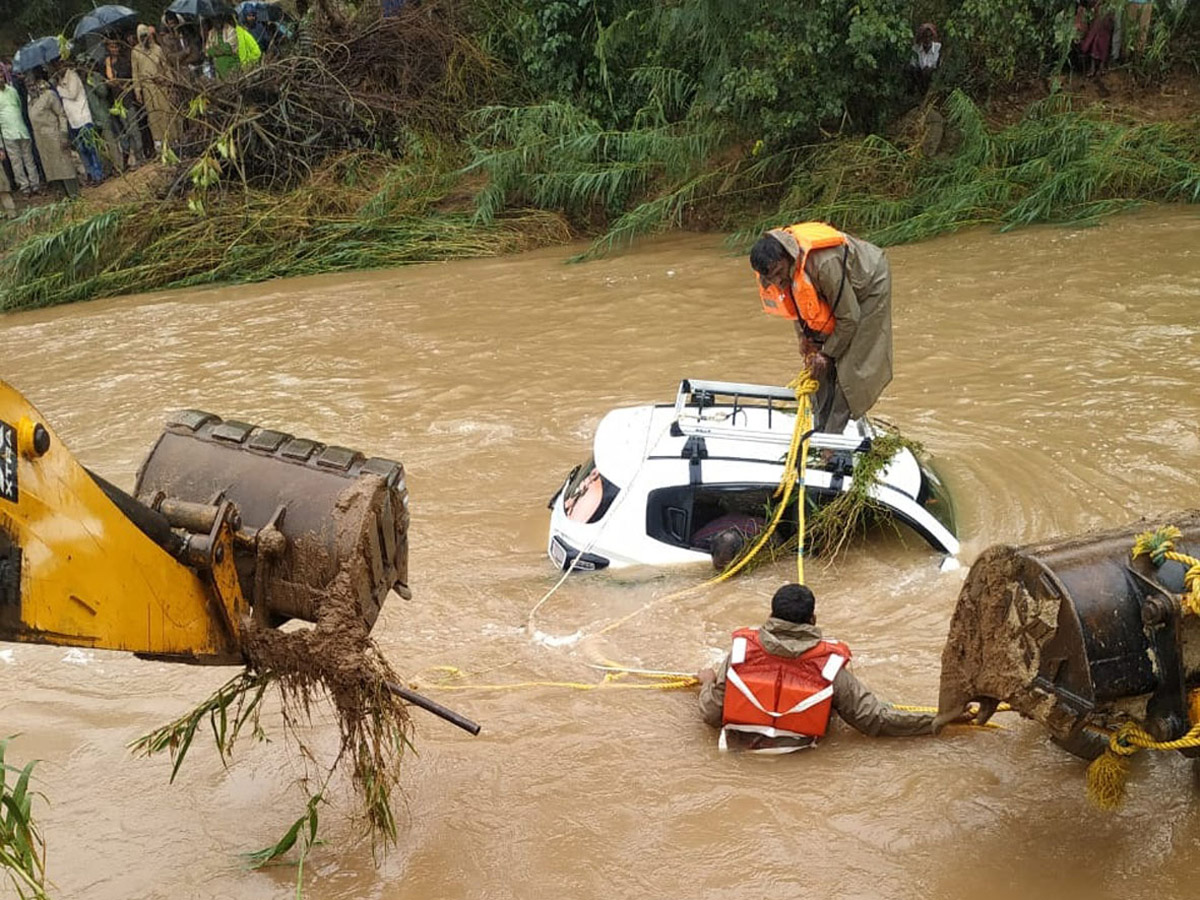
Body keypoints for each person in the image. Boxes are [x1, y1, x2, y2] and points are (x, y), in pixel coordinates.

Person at [697, 583, 935, 752]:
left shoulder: (739, 654)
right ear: (813, 620)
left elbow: (711, 714)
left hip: (738, 754)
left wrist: (707, 682)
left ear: (771, 615)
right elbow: (874, 720)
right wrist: (938, 719)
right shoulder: (830, 668)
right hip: (801, 755)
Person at [749, 223, 893, 435]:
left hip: (869, 285)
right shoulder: (777, 273)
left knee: (850, 366)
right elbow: (798, 306)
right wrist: (805, 341)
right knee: (814, 362)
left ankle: (832, 438)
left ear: (787, 258)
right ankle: (818, 427)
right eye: (771, 279)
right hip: (834, 290)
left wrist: (827, 354)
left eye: (779, 274)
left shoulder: (825, 264)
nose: (778, 282)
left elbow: (850, 318)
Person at [25, 70, 80, 198]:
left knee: (64, 166)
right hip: (42, 141)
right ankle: (62, 197)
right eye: (27, 85)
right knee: (51, 169)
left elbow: (61, 115)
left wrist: (64, 135)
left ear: (38, 82)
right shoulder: (30, 101)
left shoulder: (49, 95)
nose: (31, 87)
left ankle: (74, 195)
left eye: (32, 84)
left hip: (55, 136)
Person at [52, 63, 104, 184]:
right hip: (73, 120)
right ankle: (90, 174)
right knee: (82, 150)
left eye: (59, 66)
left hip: (83, 118)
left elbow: (73, 94)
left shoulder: (73, 76)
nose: (58, 69)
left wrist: (59, 89)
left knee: (91, 148)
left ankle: (98, 175)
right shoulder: (61, 80)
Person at [132, 24, 173, 155]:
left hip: (161, 85)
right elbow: (135, 72)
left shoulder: (157, 49)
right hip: (147, 88)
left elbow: (165, 67)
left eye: (146, 36)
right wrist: (137, 90)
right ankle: (159, 145)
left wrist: (170, 82)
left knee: (165, 113)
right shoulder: (135, 52)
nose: (145, 39)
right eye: (142, 36)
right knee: (153, 116)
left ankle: (171, 142)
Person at [105, 36, 145, 168]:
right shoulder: (108, 62)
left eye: (116, 47)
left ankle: (140, 156)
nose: (114, 49)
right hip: (118, 101)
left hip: (127, 98)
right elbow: (109, 79)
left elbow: (127, 78)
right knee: (127, 130)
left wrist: (118, 82)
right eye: (111, 47)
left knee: (134, 129)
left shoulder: (124, 61)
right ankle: (134, 158)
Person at [0, 76, 38, 193]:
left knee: (29, 159)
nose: (1, 79)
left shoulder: (12, 90)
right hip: (8, 133)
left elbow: (19, 107)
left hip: (21, 130)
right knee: (16, 162)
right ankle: (24, 186)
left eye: (1, 77)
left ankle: (35, 185)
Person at [205, 11, 262, 79]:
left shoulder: (242, 33)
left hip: (237, 73)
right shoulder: (213, 34)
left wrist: (246, 64)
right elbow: (208, 51)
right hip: (220, 75)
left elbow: (256, 52)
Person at [909, 23, 941, 93]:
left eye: (930, 36)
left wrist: (931, 70)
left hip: (933, 78)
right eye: (925, 37)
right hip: (920, 78)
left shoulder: (938, 48)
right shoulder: (916, 49)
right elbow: (913, 65)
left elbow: (939, 66)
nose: (927, 39)